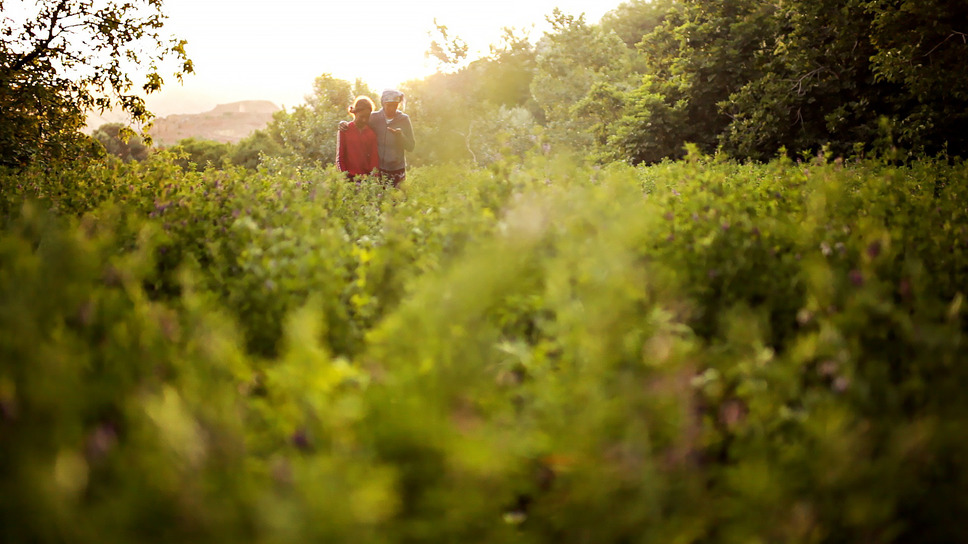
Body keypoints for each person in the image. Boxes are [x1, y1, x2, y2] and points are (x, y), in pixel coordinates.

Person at [340, 89, 415, 187]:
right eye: (389, 105)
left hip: (397, 171)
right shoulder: (373, 117)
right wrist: (343, 123)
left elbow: (411, 147)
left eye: (395, 105)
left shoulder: (404, 119)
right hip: (379, 172)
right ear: (383, 103)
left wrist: (400, 136)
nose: (392, 109)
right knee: (380, 200)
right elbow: (358, 123)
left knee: (397, 200)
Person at [336, 96, 379, 181]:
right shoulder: (345, 130)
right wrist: (344, 177)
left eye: (367, 117)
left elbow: (374, 159)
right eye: (362, 116)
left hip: (365, 179)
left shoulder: (371, 134)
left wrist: (373, 178)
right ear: (355, 113)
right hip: (348, 178)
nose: (364, 120)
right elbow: (340, 157)